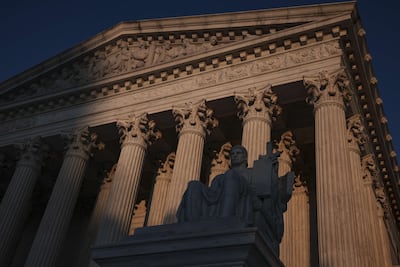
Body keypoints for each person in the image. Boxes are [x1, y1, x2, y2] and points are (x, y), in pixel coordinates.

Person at [176, 143, 294, 256]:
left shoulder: (251, 173)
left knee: (231, 177)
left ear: (245, 158)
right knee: (194, 185)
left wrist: (272, 171)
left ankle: (224, 221)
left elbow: (266, 192)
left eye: (239, 153)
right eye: (232, 154)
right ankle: (192, 226)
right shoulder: (220, 177)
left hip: (245, 201)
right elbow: (213, 194)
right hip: (219, 201)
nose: (235, 155)